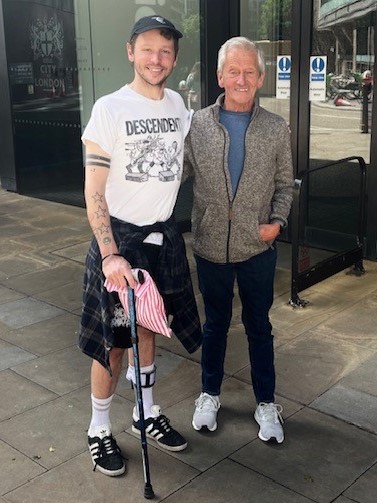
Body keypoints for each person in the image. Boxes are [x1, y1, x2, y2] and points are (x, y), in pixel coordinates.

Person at [80, 15, 202, 477]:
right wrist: (110, 254)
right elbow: (93, 191)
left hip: (162, 239)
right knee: (113, 343)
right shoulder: (109, 109)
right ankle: (98, 429)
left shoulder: (176, 103)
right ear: (131, 51)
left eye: (166, 51)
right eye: (148, 49)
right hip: (120, 244)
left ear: (174, 58)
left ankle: (145, 413)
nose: (157, 59)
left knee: (147, 329)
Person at [184, 37, 294, 443]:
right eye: (234, 70)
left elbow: (285, 185)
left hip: (257, 248)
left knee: (258, 326)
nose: (242, 78)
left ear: (261, 78)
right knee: (214, 325)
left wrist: (276, 223)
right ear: (220, 76)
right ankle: (209, 394)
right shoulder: (197, 125)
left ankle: (266, 403)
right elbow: (173, 173)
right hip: (212, 246)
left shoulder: (276, 127)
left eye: (250, 71)